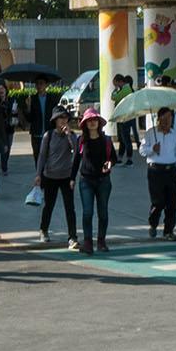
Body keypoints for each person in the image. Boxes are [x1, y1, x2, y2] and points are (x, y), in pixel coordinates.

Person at [34, 106, 79, 247]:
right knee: (49, 205)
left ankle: (72, 237)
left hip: (66, 176)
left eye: (65, 118)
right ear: (55, 120)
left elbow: (76, 152)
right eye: (60, 118)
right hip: (50, 176)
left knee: (70, 207)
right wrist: (38, 174)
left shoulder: (71, 135)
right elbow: (42, 156)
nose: (63, 120)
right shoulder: (49, 135)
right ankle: (44, 229)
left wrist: (68, 135)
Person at [73, 110, 115, 253]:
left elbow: (113, 158)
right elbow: (76, 161)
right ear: (85, 124)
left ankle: (101, 241)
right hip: (86, 181)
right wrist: (72, 179)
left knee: (103, 213)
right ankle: (88, 242)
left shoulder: (106, 140)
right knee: (87, 212)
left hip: (103, 181)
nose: (92, 122)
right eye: (89, 120)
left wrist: (109, 164)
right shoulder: (81, 140)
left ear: (99, 123)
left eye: (95, 120)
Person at [142, 105, 176, 240]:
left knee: (172, 203)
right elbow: (142, 150)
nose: (167, 121)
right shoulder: (151, 133)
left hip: (171, 171)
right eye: (165, 118)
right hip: (155, 171)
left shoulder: (174, 135)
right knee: (158, 202)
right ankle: (153, 223)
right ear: (158, 119)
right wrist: (152, 149)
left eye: (170, 117)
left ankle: (168, 230)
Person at [111, 75, 138, 166]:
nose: (115, 85)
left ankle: (129, 159)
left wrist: (115, 90)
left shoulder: (126, 90)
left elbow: (114, 97)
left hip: (125, 118)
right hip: (122, 118)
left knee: (126, 138)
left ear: (119, 81)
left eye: (115, 83)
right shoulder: (123, 89)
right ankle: (120, 158)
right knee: (122, 138)